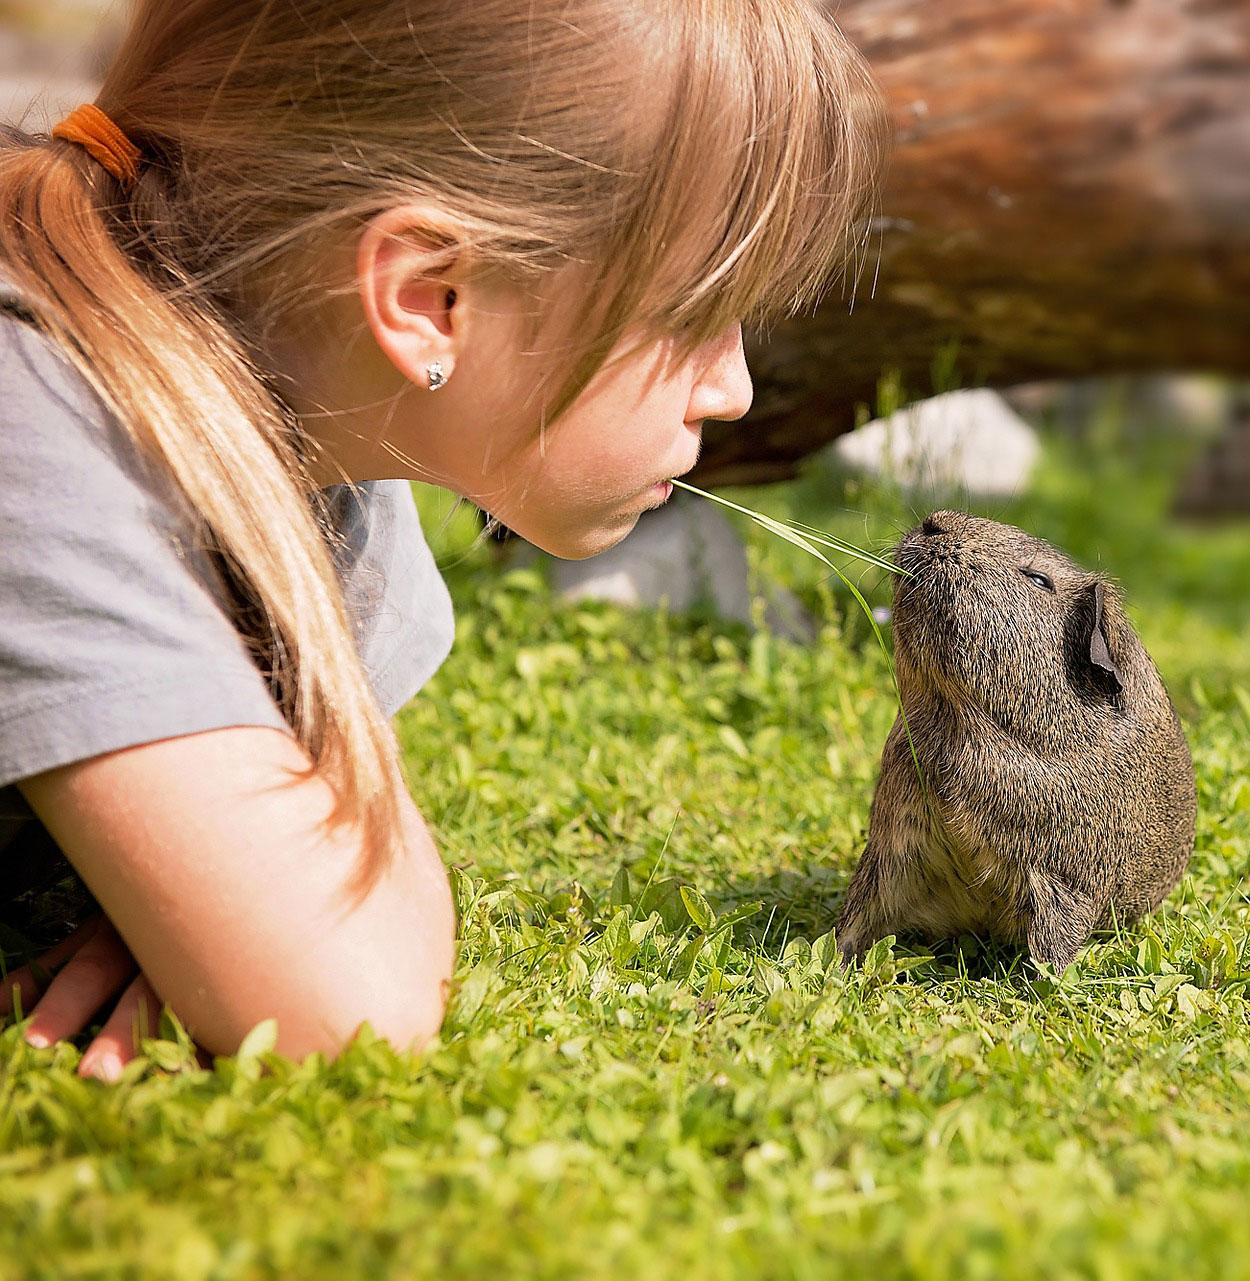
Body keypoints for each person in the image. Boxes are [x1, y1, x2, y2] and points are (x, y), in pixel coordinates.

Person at [0, 1, 888, 1080]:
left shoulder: (327, 434)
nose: (733, 387)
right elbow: (349, 1008)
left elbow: (314, 882)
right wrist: (269, 918)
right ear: (427, 299)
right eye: (693, 310)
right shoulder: (35, 418)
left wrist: (212, 893)